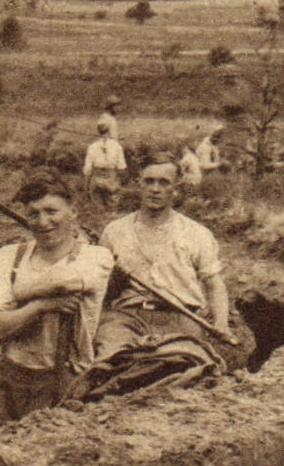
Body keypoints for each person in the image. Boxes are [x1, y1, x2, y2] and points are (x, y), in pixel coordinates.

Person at [0, 170, 113, 429]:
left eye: (52, 211)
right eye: (34, 214)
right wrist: (43, 306)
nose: (43, 221)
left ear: (72, 212)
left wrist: (19, 292)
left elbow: (63, 282)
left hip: (64, 381)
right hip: (4, 378)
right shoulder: (8, 256)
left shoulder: (96, 257)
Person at [94, 152, 233, 361]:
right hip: (126, 317)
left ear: (176, 187)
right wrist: (115, 280)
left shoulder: (197, 234)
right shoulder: (114, 232)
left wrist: (221, 323)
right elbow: (99, 289)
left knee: (184, 362)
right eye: (149, 181)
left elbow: (214, 284)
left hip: (180, 317)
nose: (155, 189)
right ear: (138, 182)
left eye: (164, 182)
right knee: (111, 359)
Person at [81, 119, 127, 206]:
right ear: (110, 131)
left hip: (96, 180)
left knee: (97, 206)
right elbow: (122, 167)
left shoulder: (92, 146)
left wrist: (86, 186)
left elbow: (88, 170)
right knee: (113, 206)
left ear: (98, 131)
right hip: (111, 179)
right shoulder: (117, 146)